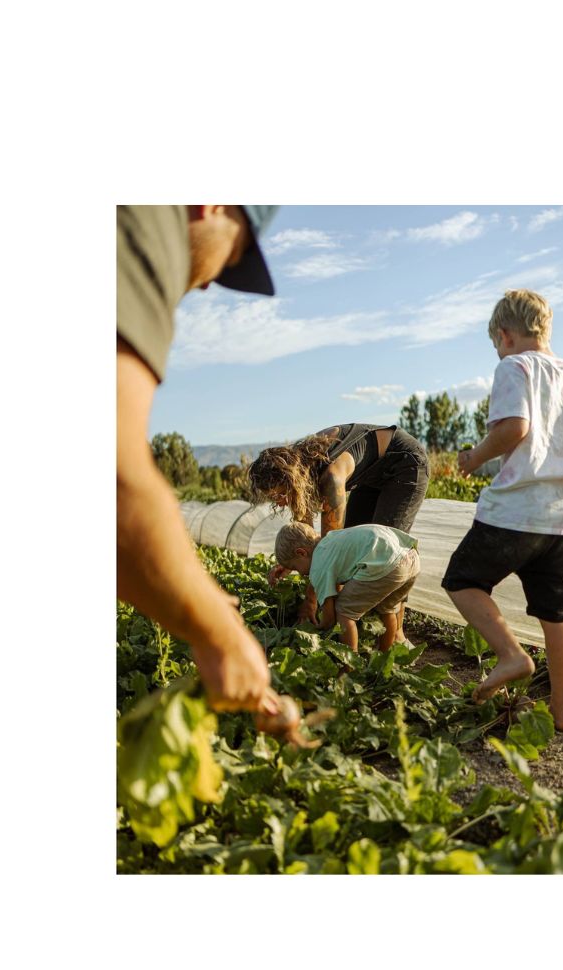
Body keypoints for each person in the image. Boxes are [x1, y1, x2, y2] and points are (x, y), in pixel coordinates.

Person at [118, 205, 300, 735]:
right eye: (234, 256)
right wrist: (217, 632)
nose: (207, 285)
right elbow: (114, 483)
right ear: (213, 204)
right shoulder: (145, 220)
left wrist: (186, 593)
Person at [441, 290, 563, 732]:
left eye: (496, 343)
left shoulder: (514, 366)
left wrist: (474, 457)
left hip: (516, 511)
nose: (498, 350)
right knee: (558, 617)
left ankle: (511, 654)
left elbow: (514, 427)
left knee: (463, 580)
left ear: (505, 334)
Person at [248, 424, 429, 637]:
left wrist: (311, 601)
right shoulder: (304, 470)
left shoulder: (331, 479)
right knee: (352, 553)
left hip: (405, 463)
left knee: (386, 554)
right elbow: (306, 539)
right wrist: (290, 563)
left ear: (291, 481)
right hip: (371, 477)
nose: (279, 504)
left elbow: (326, 552)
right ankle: (353, 626)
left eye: (280, 495)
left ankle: (396, 636)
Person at [274, 521, 420, 652]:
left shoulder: (317, 565)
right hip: (409, 556)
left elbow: (330, 618)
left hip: (387, 565)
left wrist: (317, 629)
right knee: (387, 609)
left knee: (344, 611)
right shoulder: (331, 540)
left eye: (295, 567)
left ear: (301, 553)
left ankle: (349, 666)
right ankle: (384, 658)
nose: (300, 574)